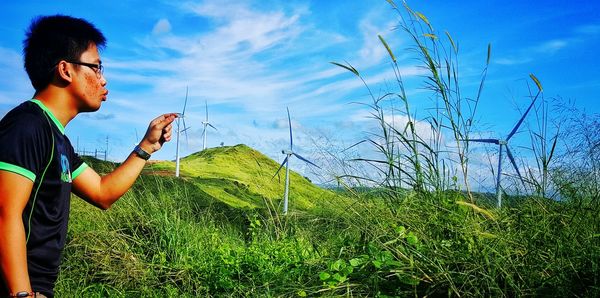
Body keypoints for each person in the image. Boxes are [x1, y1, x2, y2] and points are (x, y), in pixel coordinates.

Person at [0, 15, 178, 297]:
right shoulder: (27, 126)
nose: (103, 78)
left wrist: (147, 146)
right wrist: (21, 293)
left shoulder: (58, 140)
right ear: (65, 70)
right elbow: (5, 213)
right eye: (96, 67)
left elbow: (102, 193)